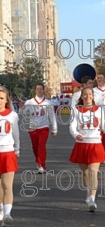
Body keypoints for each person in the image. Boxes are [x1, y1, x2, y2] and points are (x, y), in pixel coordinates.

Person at [69, 87, 105, 212]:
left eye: (90, 94)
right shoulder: (77, 110)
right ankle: (88, 192)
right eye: (85, 94)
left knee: (93, 172)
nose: (87, 96)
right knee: (85, 172)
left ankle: (91, 198)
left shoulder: (99, 111)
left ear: (93, 96)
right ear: (82, 96)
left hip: (95, 143)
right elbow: (72, 126)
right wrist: (75, 134)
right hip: (82, 143)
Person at [22, 84, 57, 173]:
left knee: (41, 146)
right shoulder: (29, 102)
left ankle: (41, 164)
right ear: (35, 90)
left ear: (43, 90)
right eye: (37, 89)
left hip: (44, 127)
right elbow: (24, 113)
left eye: (41, 89)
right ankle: (38, 161)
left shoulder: (48, 103)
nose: (39, 90)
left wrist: (54, 129)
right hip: (32, 128)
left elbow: (52, 116)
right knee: (35, 147)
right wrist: (22, 107)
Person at [0, 86, 20, 226]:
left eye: (1, 98)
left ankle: (7, 213)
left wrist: (17, 149)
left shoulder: (12, 115)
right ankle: (1, 208)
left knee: (7, 185)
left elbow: (16, 134)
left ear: (6, 100)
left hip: (7, 153)